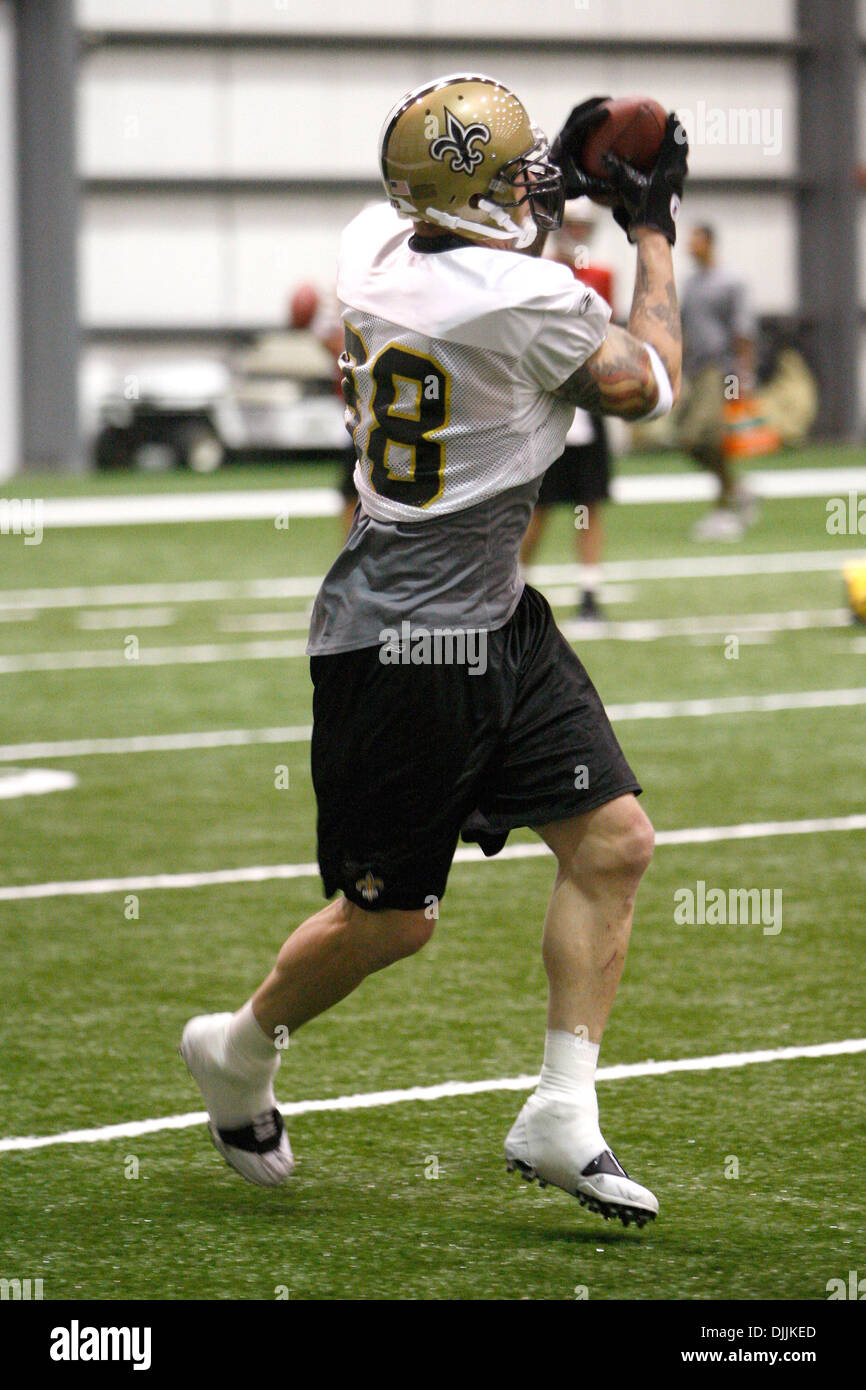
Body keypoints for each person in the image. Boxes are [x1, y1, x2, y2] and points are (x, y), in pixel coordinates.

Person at [181, 76, 687, 1228]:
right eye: (510, 178)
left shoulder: (374, 241)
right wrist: (649, 230)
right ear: (471, 199)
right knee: (391, 919)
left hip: (493, 609)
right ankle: (239, 1050)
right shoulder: (525, 298)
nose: (529, 189)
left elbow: (484, 257)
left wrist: (542, 190)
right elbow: (647, 381)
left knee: (613, 842)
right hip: (402, 642)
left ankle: (561, 1107)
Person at [519, 198, 615, 620]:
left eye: (582, 225)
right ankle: (513, 586)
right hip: (546, 402)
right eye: (570, 224)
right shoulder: (542, 273)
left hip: (585, 402)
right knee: (536, 506)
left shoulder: (598, 275)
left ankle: (590, 589)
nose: (577, 232)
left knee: (588, 501)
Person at [675, 224, 758, 540]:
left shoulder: (731, 282)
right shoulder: (691, 284)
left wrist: (743, 377)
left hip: (719, 368)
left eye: (696, 239)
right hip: (695, 370)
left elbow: (743, 331)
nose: (690, 245)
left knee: (703, 436)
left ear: (709, 242)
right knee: (689, 439)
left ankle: (725, 508)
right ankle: (738, 490)